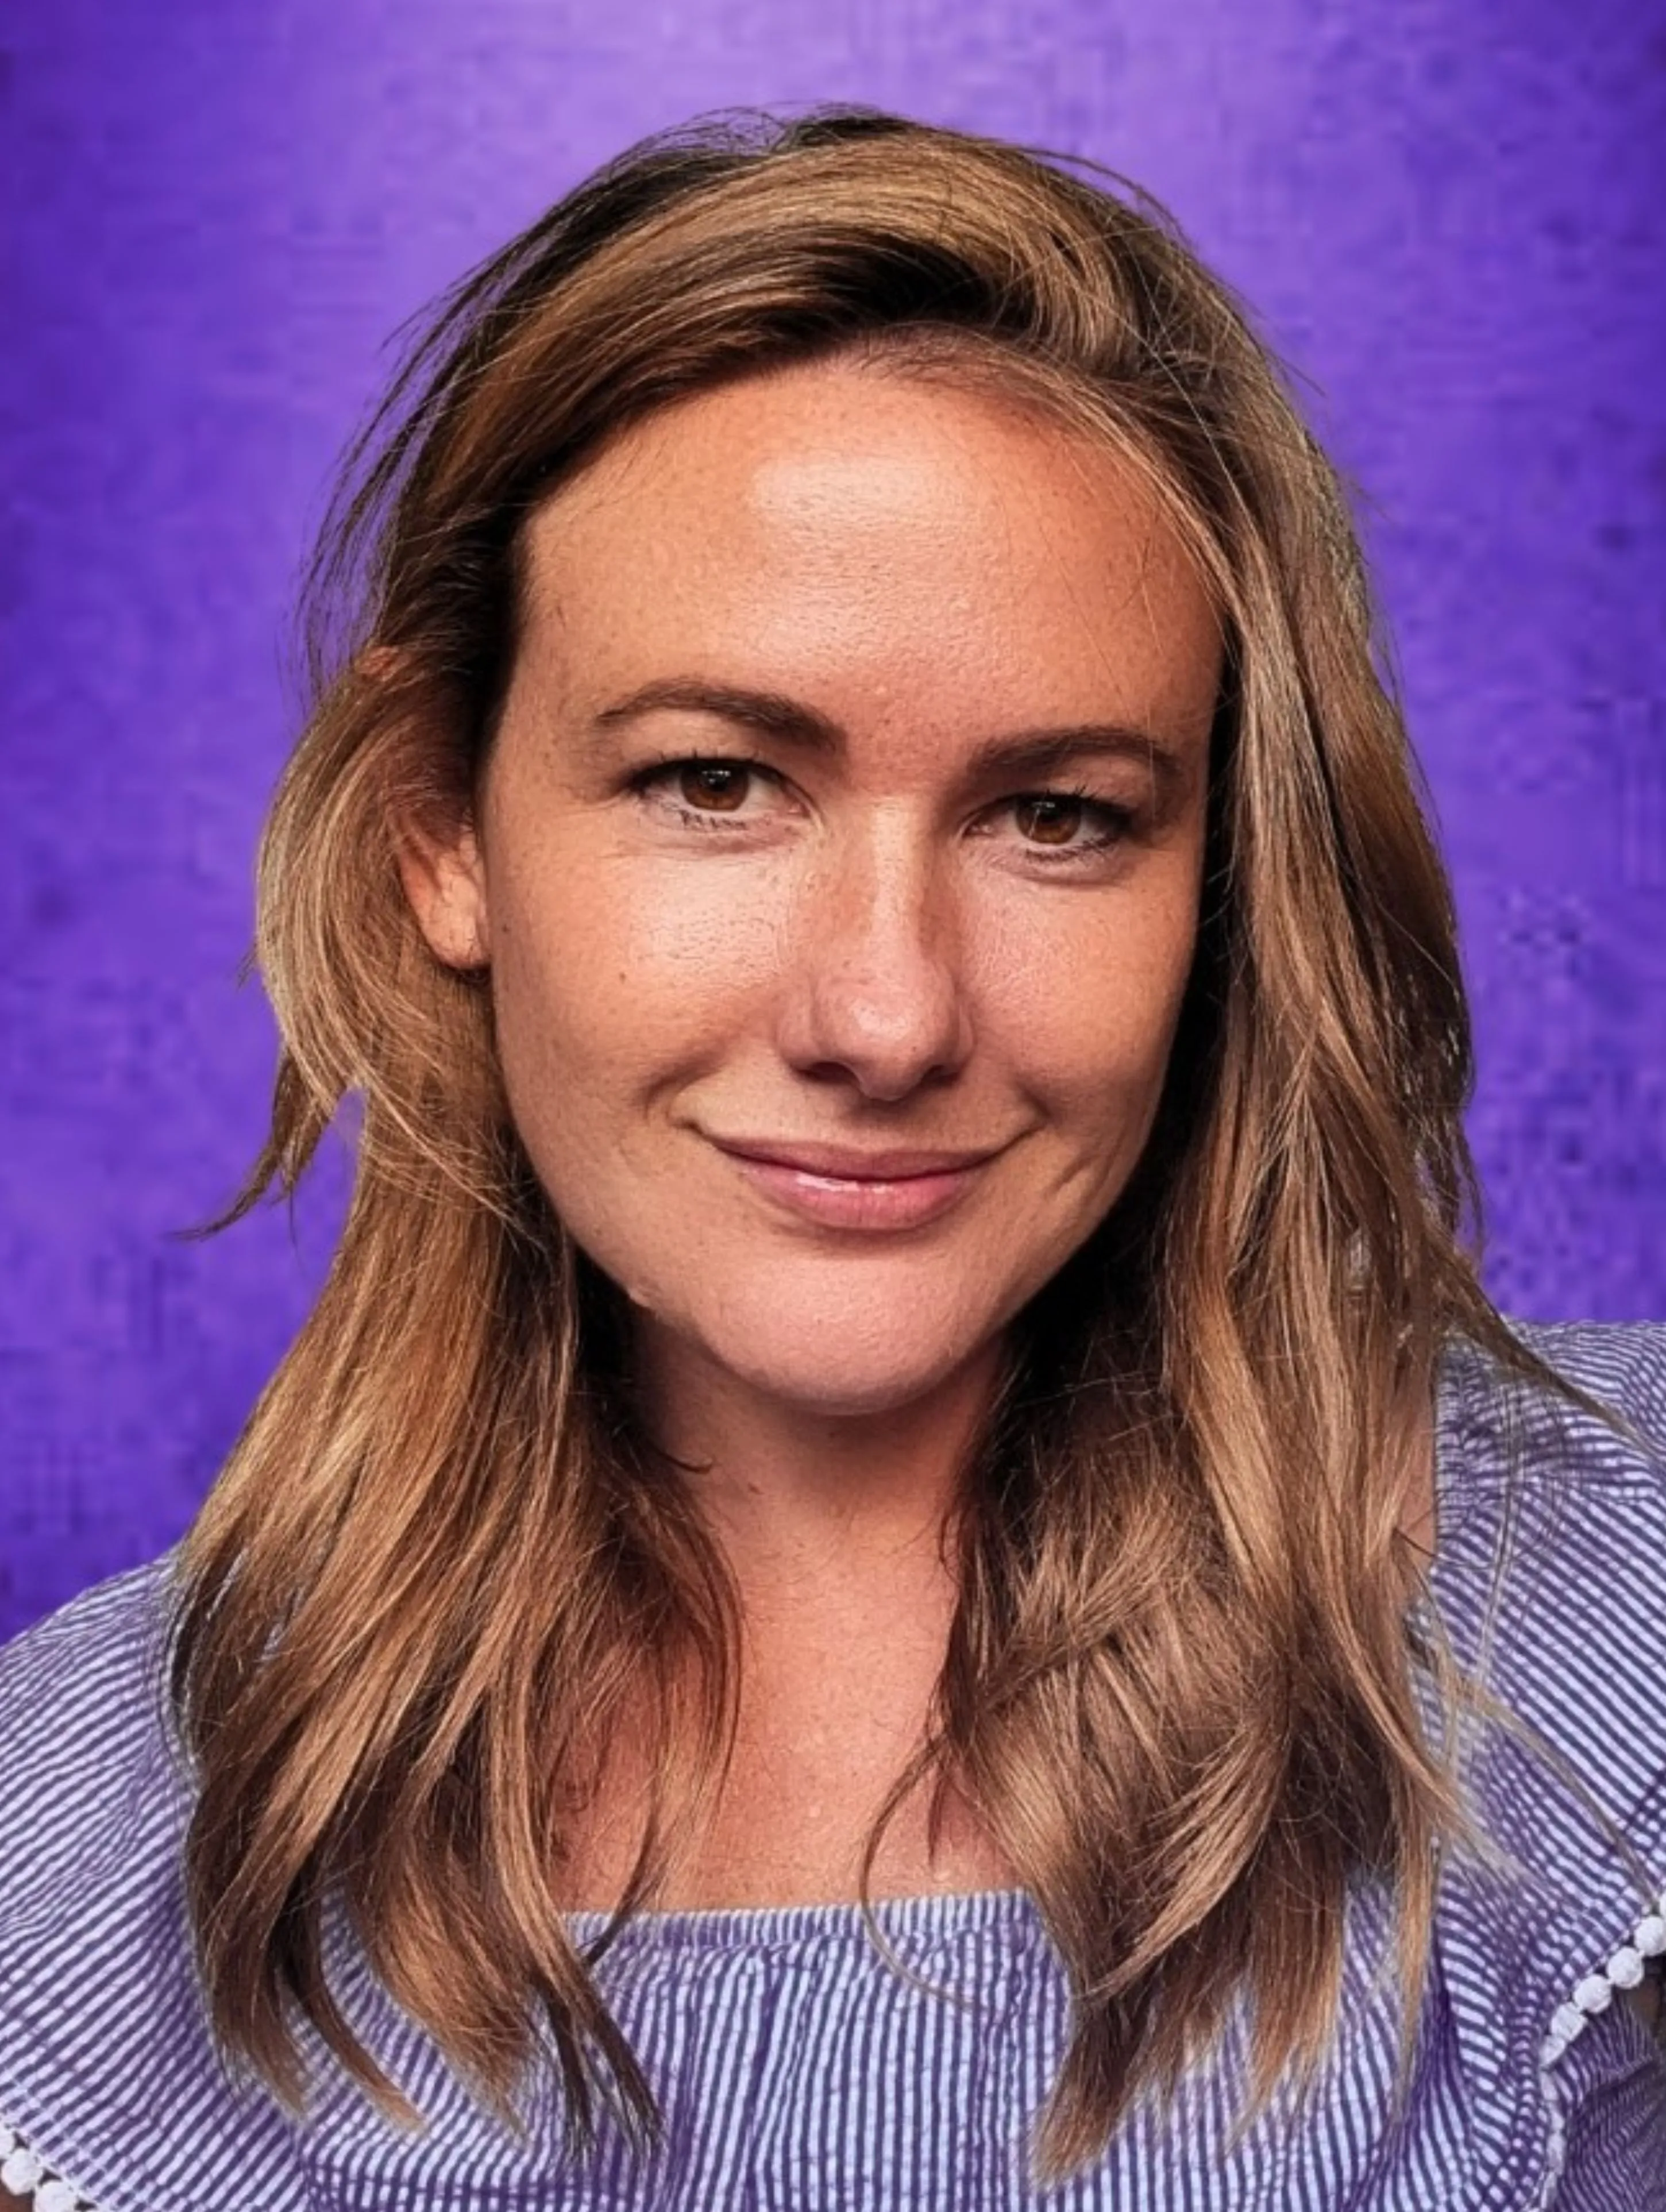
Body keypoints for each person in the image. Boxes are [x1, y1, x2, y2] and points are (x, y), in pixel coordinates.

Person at [0, 103, 1662, 2212]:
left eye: (1059, 815)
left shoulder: (1619, 1612)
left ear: (1220, 887)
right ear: (440, 827)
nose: (885, 1017)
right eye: (716, 782)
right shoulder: (62, 1866)